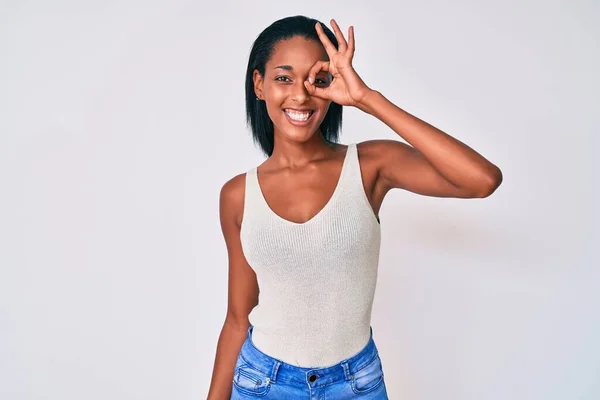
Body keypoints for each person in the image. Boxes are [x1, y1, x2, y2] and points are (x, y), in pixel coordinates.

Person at [208, 15, 502, 400]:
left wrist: (367, 99)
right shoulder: (237, 195)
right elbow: (236, 318)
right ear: (259, 85)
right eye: (284, 78)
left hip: (356, 385)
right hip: (262, 383)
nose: (301, 95)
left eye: (318, 79)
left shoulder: (370, 166)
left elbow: (482, 180)